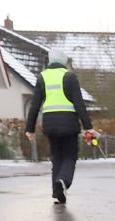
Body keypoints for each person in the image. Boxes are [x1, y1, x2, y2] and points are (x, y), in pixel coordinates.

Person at [25, 49, 95, 204]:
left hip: (50, 124)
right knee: (70, 156)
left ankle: (57, 192)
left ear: (50, 61)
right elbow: (79, 104)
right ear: (64, 62)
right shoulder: (70, 77)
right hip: (69, 123)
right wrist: (88, 127)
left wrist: (29, 129)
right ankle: (63, 181)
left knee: (56, 157)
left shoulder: (42, 77)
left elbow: (34, 106)